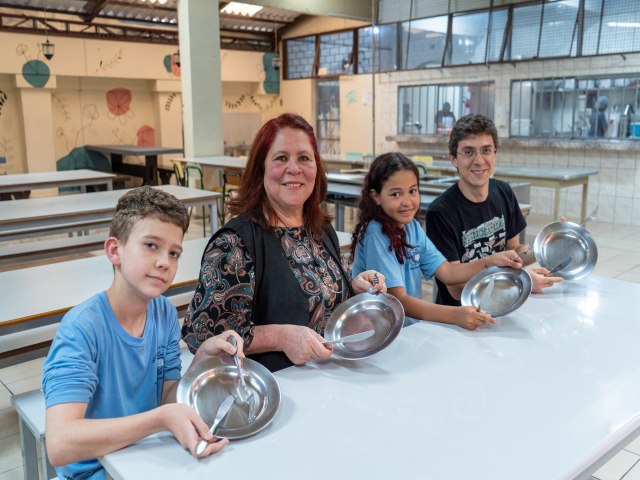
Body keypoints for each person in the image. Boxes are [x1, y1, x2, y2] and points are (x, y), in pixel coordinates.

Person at [42, 186, 245, 479]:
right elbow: (60, 444)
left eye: (174, 252)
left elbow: (167, 400)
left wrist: (202, 358)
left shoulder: (163, 313)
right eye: (151, 245)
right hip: (94, 472)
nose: (164, 261)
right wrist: (160, 420)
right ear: (115, 251)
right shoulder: (81, 329)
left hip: (145, 457)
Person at [181, 113, 385, 372]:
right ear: (261, 169)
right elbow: (203, 335)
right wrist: (280, 337)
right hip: (274, 388)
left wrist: (355, 286)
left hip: (331, 379)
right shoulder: (233, 244)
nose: (294, 168)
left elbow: (322, 300)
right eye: (281, 158)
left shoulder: (321, 230)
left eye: (304, 158)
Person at [350, 152, 523, 330]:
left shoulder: (412, 228)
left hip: (407, 329)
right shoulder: (375, 235)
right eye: (395, 194)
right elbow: (398, 300)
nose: (407, 202)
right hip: (380, 332)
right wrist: (455, 315)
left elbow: (447, 272)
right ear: (376, 196)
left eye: (412, 191)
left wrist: (490, 261)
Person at [425, 114, 563, 307]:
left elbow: (514, 250)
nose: (479, 160)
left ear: (495, 154)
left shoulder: (503, 192)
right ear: (454, 159)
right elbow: (455, 289)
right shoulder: (440, 213)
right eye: (468, 152)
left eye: (486, 150)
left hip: (501, 303)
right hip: (461, 316)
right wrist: (521, 279)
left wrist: (548, 244)